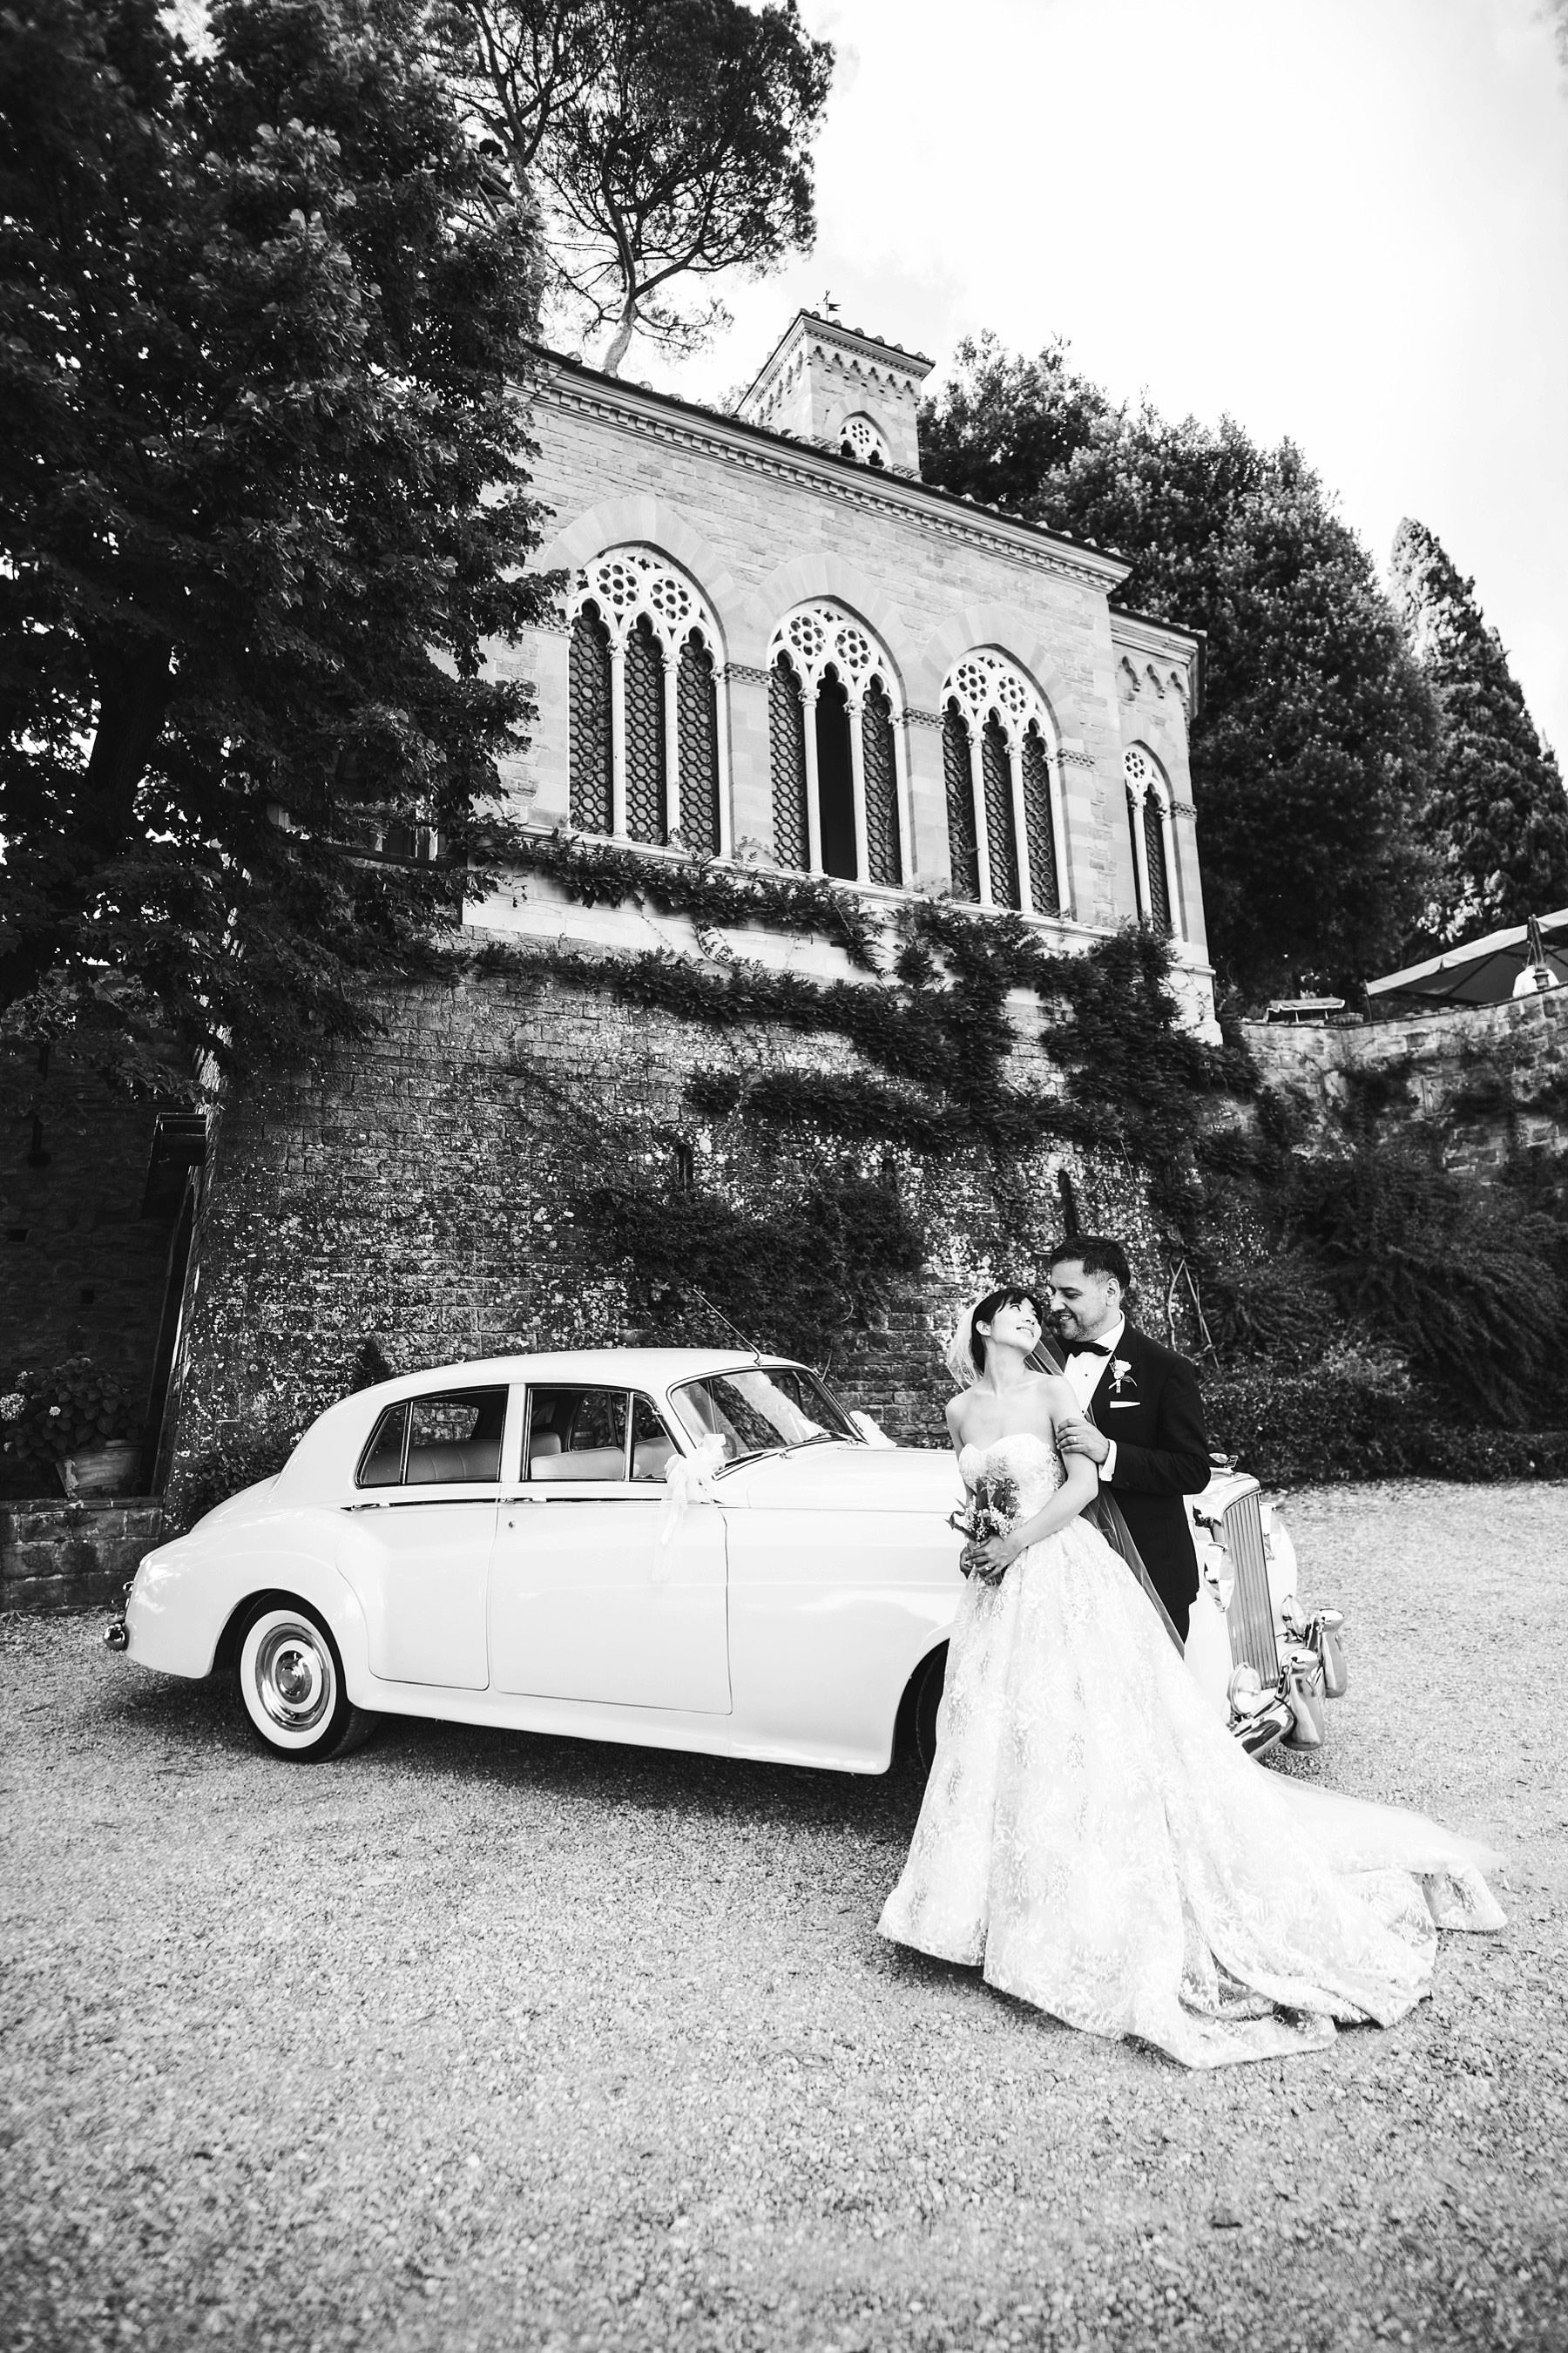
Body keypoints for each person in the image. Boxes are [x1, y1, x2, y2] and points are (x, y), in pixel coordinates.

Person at [877, 1282, 1504, 2069]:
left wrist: (1016, 1542)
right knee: (994, 1728)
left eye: (1040, 1309)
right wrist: (979, 1539)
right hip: (994, 1587)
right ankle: (976, 1906)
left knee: (1078, 1718)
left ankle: (1084, 1894)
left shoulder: (1054, 1391)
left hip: (1058, 1569)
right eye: (1018, 1310)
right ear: (981, 1325)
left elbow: (1082, 1486)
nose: (1034, 1317)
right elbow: (974, 1491)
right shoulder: (959, 1410)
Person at [1046, 1236, 1208, 1643]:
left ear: (1111, 1292)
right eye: (1052, 1292)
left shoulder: (1165, 1369)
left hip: (1147, 1572)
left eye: (1070, 1294)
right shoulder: (1038, 1361)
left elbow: (1192, 1470)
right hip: (1057, 1574)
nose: (1054, 1304)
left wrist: (1109, 1453)